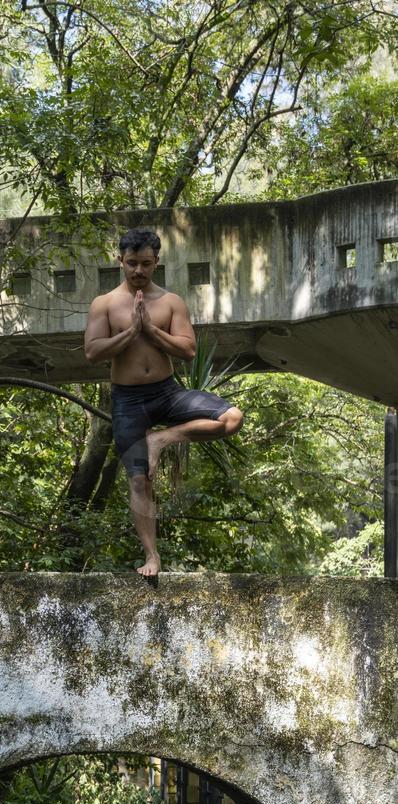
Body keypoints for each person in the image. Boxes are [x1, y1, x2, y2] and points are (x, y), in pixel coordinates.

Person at [84, 228, 244, 577]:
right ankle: (152, 556)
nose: (138, 271)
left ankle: (163, 438)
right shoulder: (105, 304)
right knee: (139, 480)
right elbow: (93, 351)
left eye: (145, 264)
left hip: (167, 392)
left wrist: (151, 331)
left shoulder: (171, 303)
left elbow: (188, 350)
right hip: (128, 400)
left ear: (156, 262)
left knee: (232, 418)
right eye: (131, 264)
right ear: (120, 261)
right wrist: (129, 333)